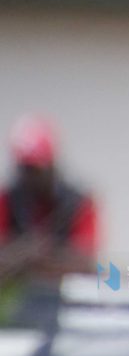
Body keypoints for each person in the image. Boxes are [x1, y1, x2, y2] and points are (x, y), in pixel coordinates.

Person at [0, 116, 98, 327]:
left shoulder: (78, 203)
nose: (30, 177)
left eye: (36, 170)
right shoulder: (7, 200)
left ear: (51, 165)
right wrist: (25, 252)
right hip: (15, 305)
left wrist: (44, 255)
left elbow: (87, 262)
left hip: (67, 305)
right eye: (25, 169)